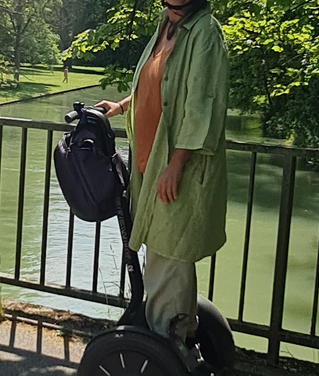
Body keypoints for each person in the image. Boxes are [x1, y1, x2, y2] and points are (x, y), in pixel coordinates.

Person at [96, 0, 229, 346]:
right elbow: (157, 84)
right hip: (150, 161)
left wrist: (177, 164)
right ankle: (172, 338)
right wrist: (122, 105)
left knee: (170, 256)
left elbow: (202, 104)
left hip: (175, 166)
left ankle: (170, 348)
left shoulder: (204, 32)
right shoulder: (164, 26)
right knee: (159, 253)